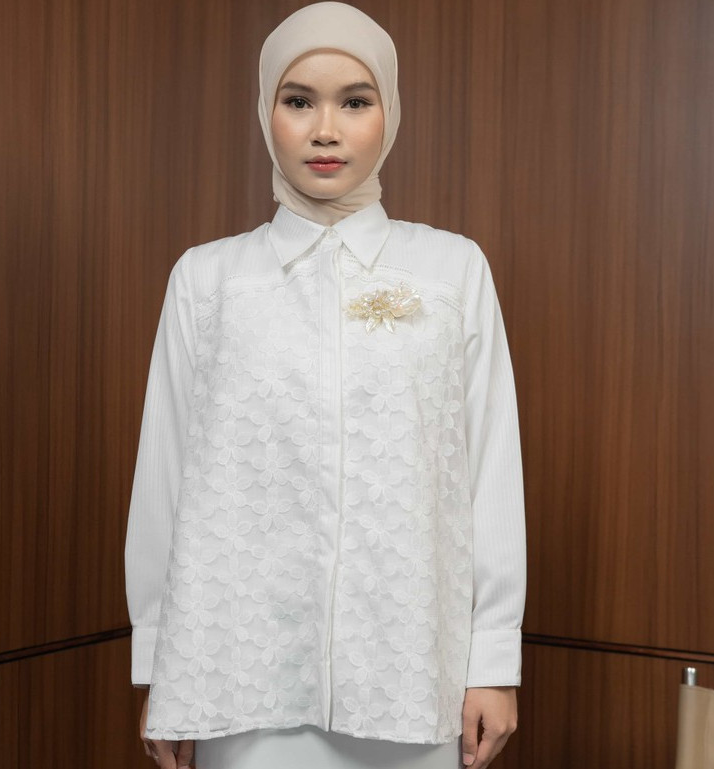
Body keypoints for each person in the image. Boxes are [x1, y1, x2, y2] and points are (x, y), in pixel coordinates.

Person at [124, 3, 526, 769]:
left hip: (415, 675)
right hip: (237, 677)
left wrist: (492, 660)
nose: (325, 130)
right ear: (265, 111)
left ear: (389, 113)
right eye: (299, 100)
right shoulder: (207, 281)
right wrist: (160, 666)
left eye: (355, 101)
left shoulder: (450, 272)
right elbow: (164, 481)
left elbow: (488, 474)